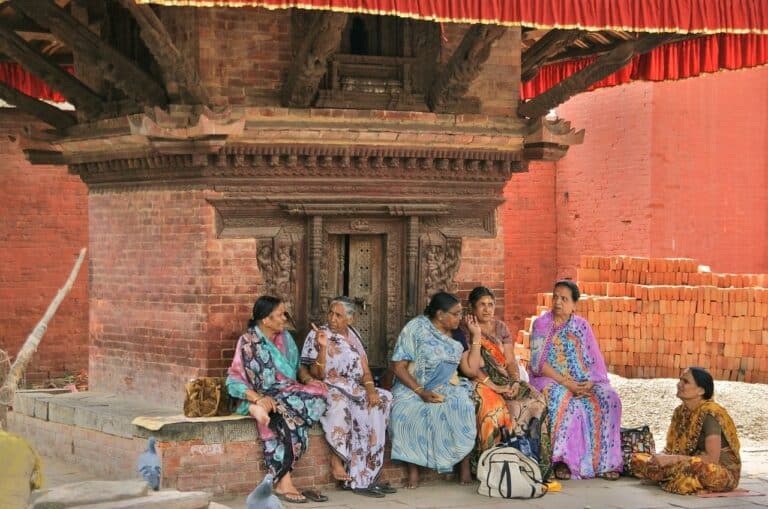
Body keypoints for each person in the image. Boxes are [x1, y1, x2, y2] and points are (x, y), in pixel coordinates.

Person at [226, 295, 329, 504]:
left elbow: (297, 366)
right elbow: (234, 379)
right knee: (286, 424)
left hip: (288, 393)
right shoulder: (247, 342)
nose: (284, 318)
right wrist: (257, 398)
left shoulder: (286, 339)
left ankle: (269, 412)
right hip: (263, 394)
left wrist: (309, 380)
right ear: (266, 319)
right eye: (281, 314)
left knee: (320, 395)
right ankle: (284, 480)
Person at [301, 296, 395, 498]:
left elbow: (365, 370)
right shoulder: (317, 334)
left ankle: (369, 474)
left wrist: (370, 389)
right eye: (331, 313)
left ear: (350, 320)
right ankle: (349, 471)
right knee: (344, 405)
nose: (332, 318)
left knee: (383, 399)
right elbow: (316, 373)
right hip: (330, 386)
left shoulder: (354, 335)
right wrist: (323, 347)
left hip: (354, 386)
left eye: (338, 315)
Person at [529, 280, 623, 480]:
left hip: (582, 380)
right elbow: (538, 364)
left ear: (574, 305)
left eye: (564, 299)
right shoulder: (541, 324)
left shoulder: (581, 326)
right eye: (555, 297)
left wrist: (590, 382)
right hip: (549, 379)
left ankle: (605, 464)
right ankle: (564, 462)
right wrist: (567, 383)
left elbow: (594, 361)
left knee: (610, 399)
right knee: (566, 402)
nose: (558, 302)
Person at [389, 291, 482, 488]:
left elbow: (470, 370)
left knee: (462, 405)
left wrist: (476, 336)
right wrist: (420, 391)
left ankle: (463, 464)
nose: (460, 318)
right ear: (440, 315)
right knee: (404, 411)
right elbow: (398, 367)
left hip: (446, 385)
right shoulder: (416, 328)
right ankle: (413, 471)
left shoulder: (457, 334)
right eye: (455, 314)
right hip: (413, 386)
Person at [457, 286, 547, 471]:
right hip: (480, 381)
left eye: (490, 304)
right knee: (495, 410)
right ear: (472, 308)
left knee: (537, 401)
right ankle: (490, 468)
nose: (487, 309)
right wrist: (495, 387)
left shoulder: (500, 327)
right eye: (482, 305)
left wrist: (514, 381)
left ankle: (530, 463)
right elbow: (472, 370)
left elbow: (510, 360)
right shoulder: (465, 330)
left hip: (505, 379)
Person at [630, 367, 741, 495]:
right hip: (685, 462)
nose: (679, 384)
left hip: (717, 470)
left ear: (701, 390)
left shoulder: (710, 414)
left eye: (685, 381)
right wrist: (659, 458)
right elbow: (670, 449)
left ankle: (665, 477)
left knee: (694, 467)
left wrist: (672, 460)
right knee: (638, 459)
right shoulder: (679, 412)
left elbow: (712, 459)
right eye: (680, 380)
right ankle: (669, 476)